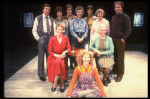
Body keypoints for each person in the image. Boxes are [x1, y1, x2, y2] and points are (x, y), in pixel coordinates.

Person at [110, 1, 132, 82]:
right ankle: (115, 70)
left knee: (120, 58)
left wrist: (123, 38)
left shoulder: (125, 17)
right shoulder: (113, 17)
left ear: (121, 8)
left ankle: (120, 74)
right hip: (113, 39)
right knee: (114, 56)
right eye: (116, 7)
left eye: (118, 7)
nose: (117, 8)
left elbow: (128, 29)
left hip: (120, 40)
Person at [32, 3, 54, 81]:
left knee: (50, 57)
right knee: (41, 57)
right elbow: (34, 30)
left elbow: (53, 31)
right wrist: (38, 38)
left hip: (50, 39)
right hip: (42, 38)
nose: (47, 10)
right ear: (43, 10)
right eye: (46, 9)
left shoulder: (51, 19)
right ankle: (41, 74)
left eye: (49, 9)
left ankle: (50, 72)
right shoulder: (38, 18)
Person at [47, 24, 71, 93]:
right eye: (58, 29)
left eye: (61, 29)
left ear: (63, 30)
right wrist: (58, 56)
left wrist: (64, 52)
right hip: (53, 57)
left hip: (62, 56)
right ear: (56, 30)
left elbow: (69, 48)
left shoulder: (65, 38)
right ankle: (62, 83)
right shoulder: (52, 39)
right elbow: (50, 51)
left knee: (59, 62)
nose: (60, 31)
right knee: (59, 62)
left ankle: (55, 83)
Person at [62, 4, 77, 70]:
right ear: (66, 11)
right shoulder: (63, 18)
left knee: (73, 50)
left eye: (71, 9)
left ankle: (72, 64)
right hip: (66, 36)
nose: (70, 11)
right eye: (68, 10)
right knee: (66, 50)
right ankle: (66, 65)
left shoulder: (75, 17)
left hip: (73, 36)